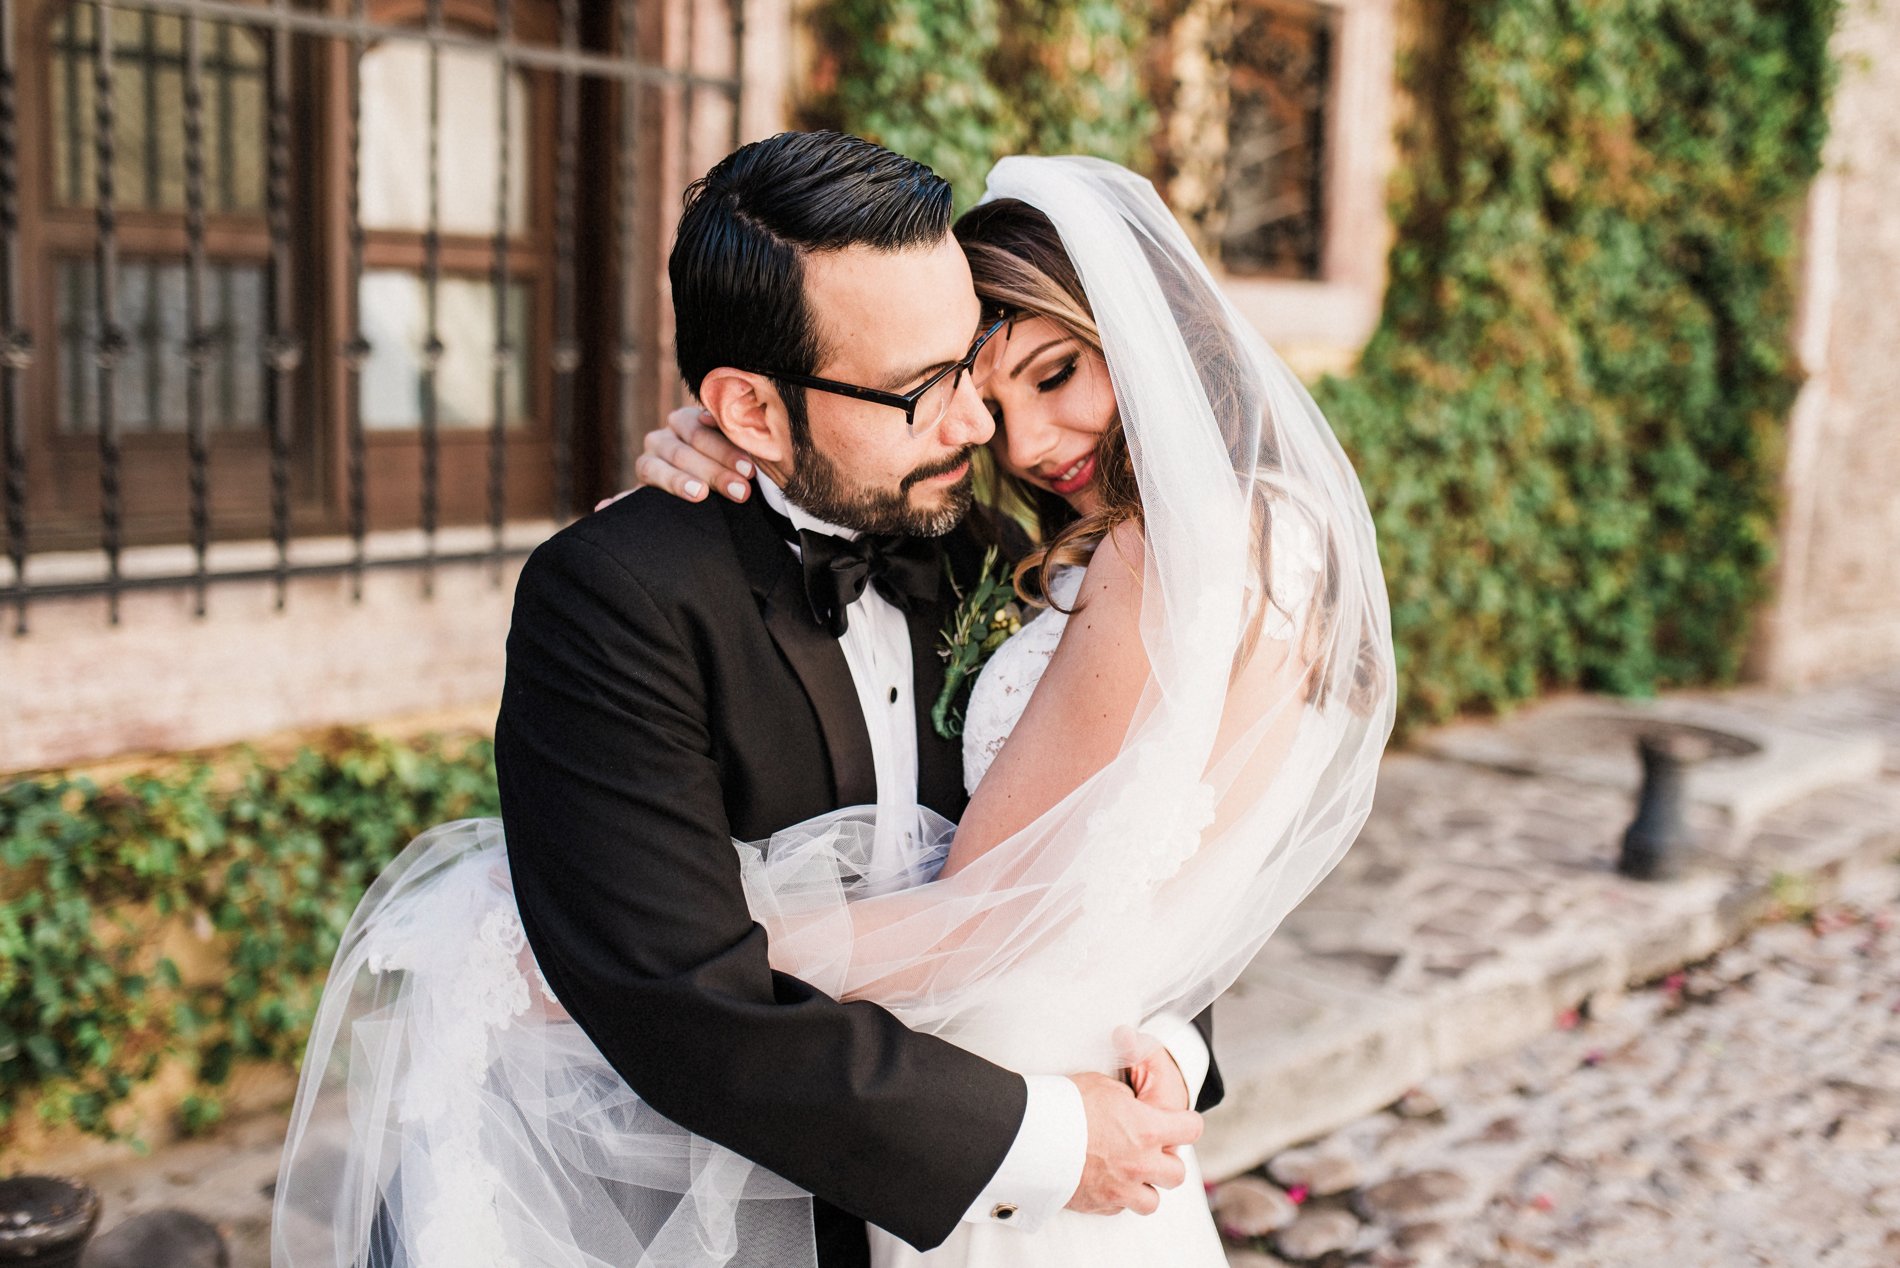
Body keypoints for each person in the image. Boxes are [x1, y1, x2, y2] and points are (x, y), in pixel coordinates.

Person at [271, 137, 1393, 1268]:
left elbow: (1123, 851)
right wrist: (1047, 1136)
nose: (978, 427)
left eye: (979, 367)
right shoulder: (616, 597)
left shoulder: (997, 553)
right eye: (929, 387)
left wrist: (1157, 1045)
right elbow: (678, 996)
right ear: (750, 412)